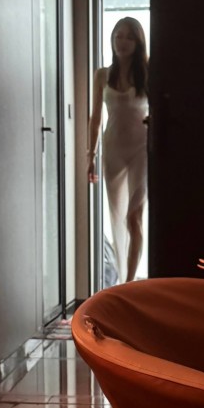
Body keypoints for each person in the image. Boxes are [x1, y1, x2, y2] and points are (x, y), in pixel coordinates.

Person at [87, 17, 149, 284]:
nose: (122, 42)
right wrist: (91, 156)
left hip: (141, 150)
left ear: (138, 42)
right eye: (117, 36)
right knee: (118, 217)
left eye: (128, 37)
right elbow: (95, 118)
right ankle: (123, 278)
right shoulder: (102, 75)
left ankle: (130, 282)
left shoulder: (147, 72)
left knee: (135, 217)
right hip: (113, 150)